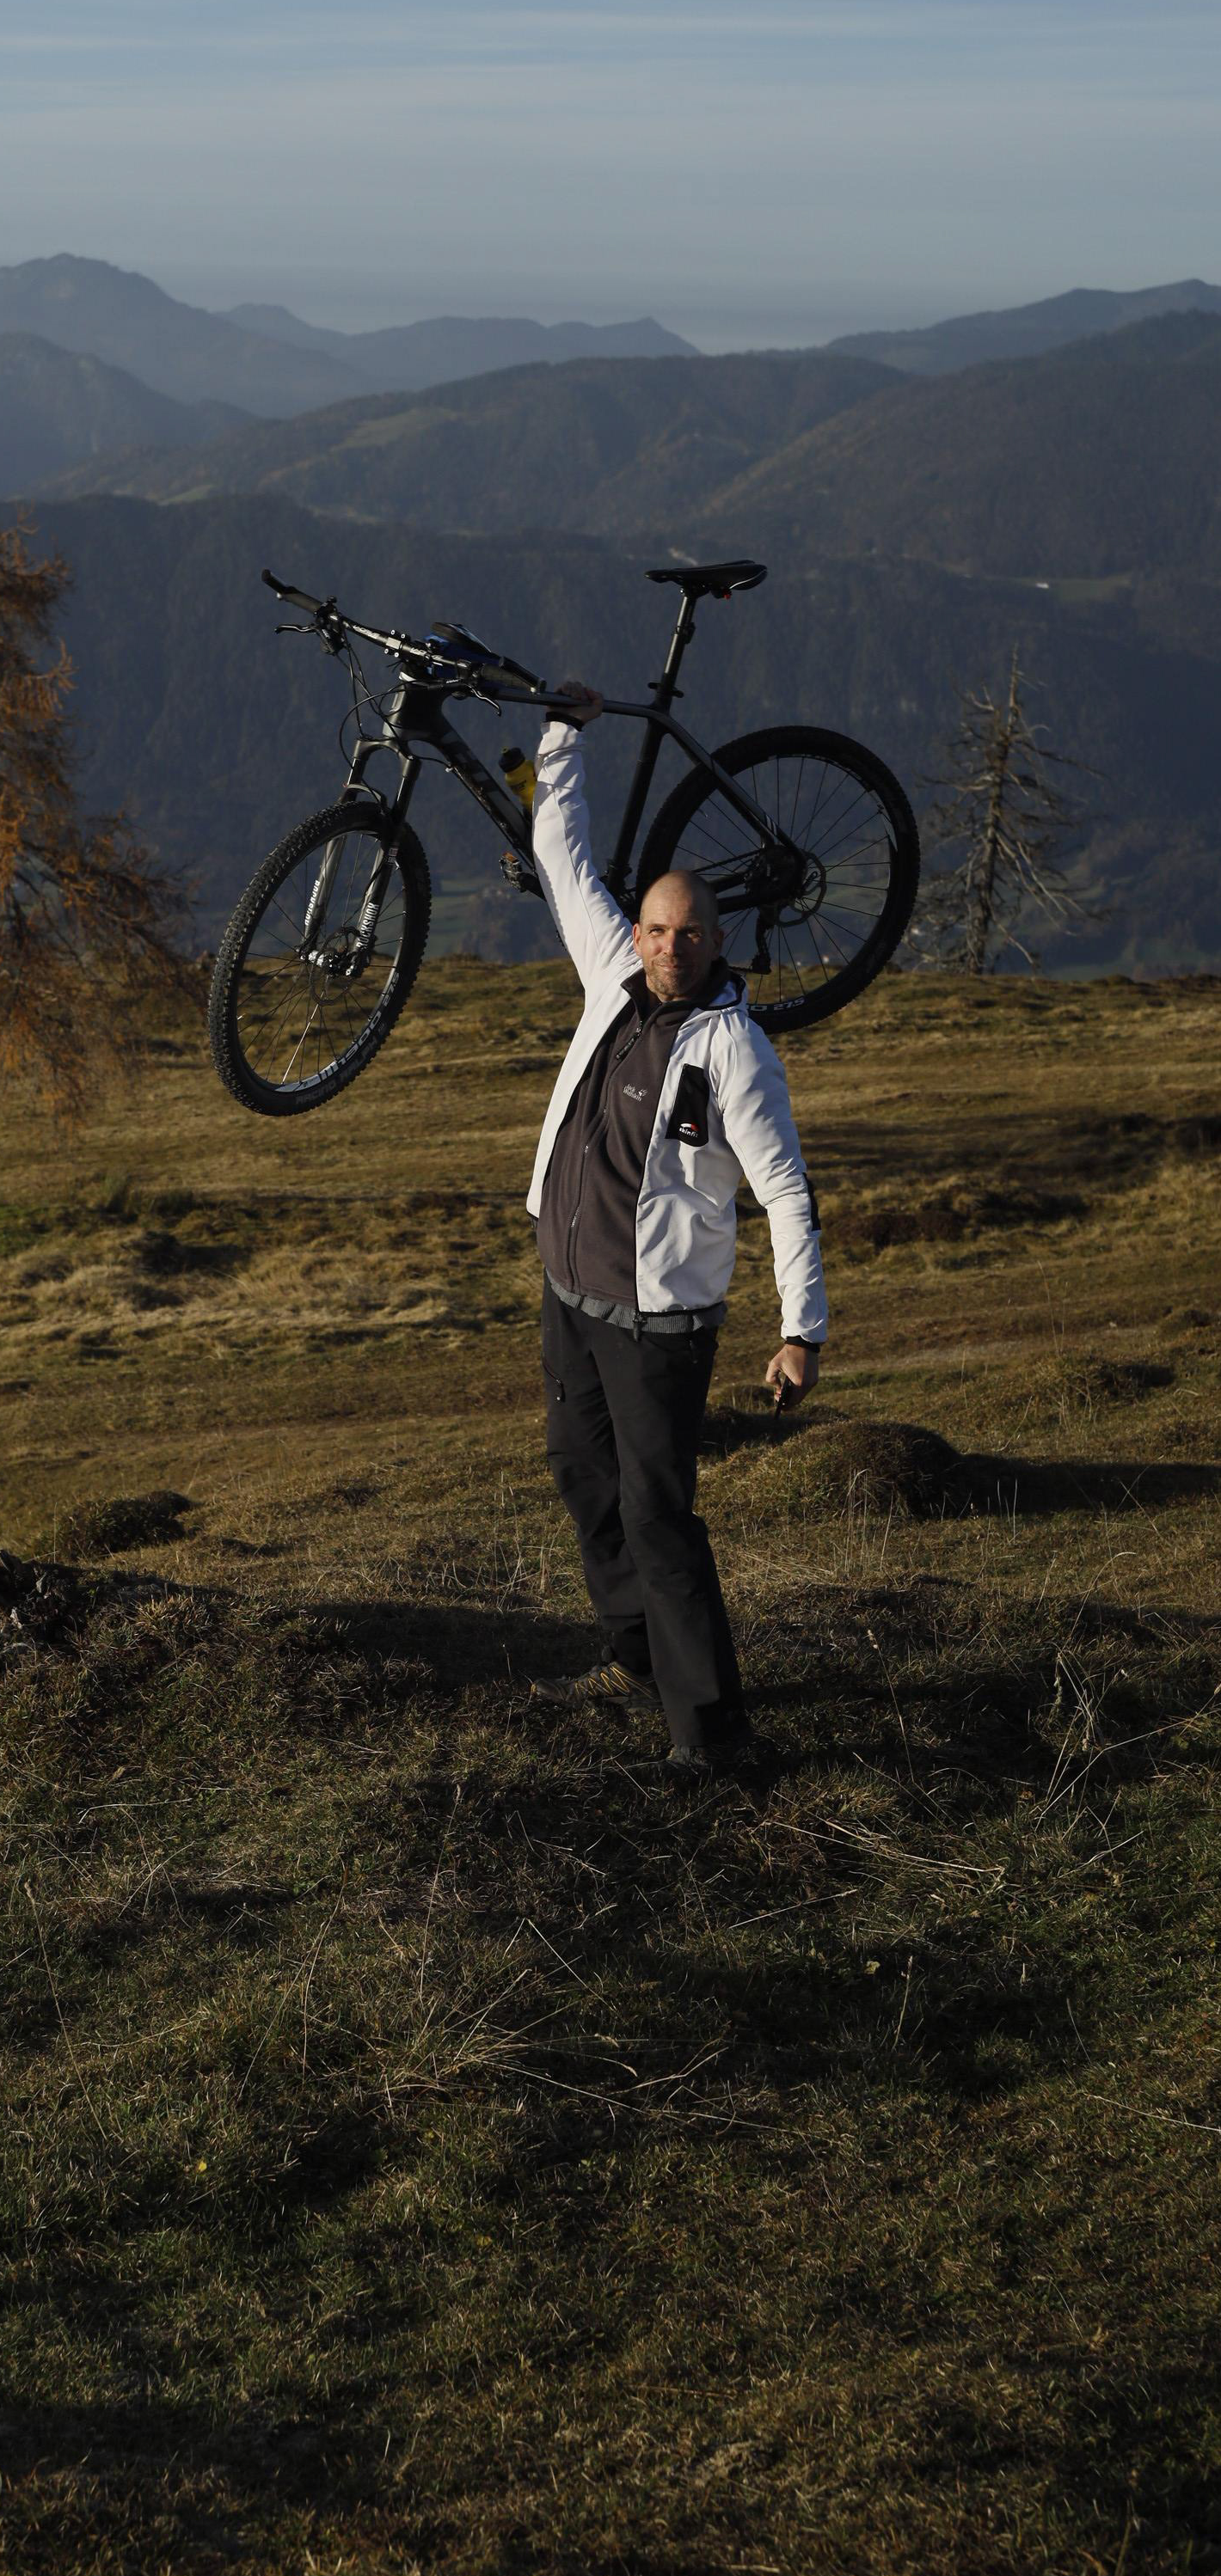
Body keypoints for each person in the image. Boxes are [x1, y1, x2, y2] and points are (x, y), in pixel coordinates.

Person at [525, 683, 825, 1784]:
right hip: (570, 1294)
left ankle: (716, 1738)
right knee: (578, 1473)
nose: (668, 946)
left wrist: (803, 1331)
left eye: (689, 932)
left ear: (716, 939)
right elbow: (560, 853)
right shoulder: (610, 978)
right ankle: (638, 1653)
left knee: (659, 1518)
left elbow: (785, 1189)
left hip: (659, 1329)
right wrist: (560, 735)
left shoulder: (736, 1051)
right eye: (655, 928)